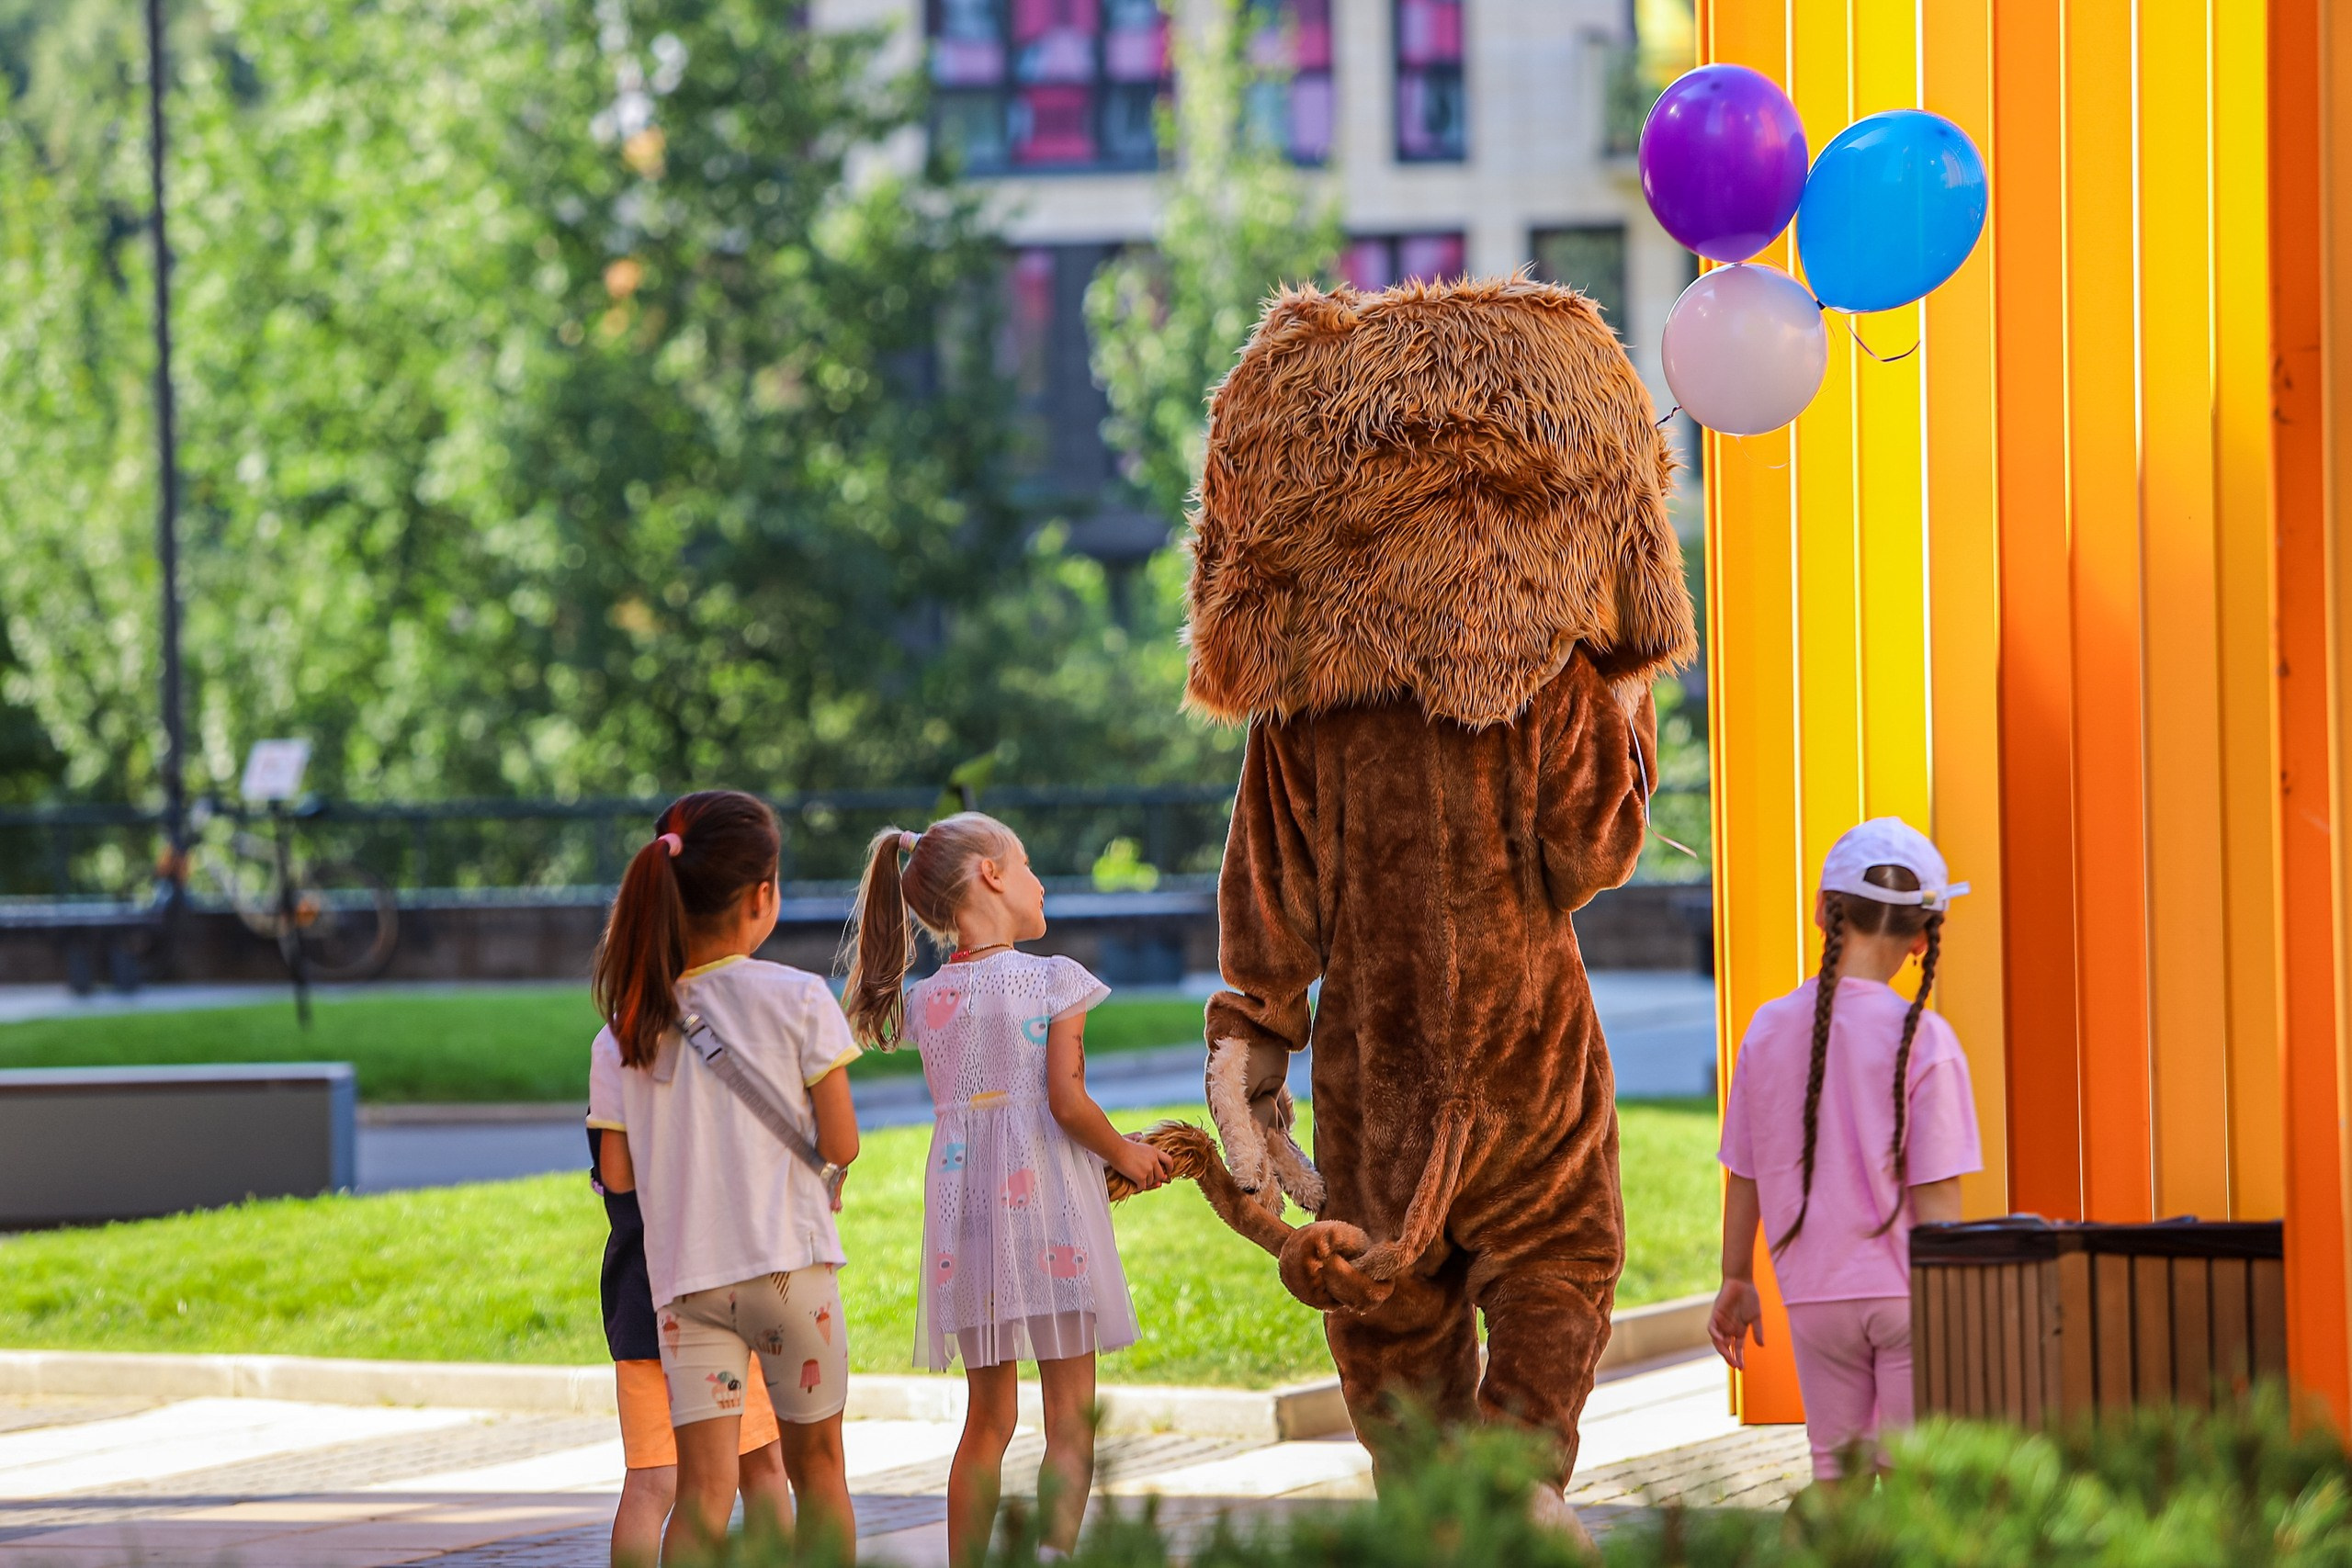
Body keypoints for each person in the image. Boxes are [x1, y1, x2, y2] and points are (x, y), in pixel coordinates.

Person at [841, 813, 1173, 1564]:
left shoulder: (928, 1001)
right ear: (991, 873)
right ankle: (1052, 1556)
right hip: (1050, 1215)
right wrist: (1126, 1151)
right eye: (1027, 863)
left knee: (985, 1419)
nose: (1041, 880)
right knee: (1070, 1419)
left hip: (969, 1221)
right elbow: (1067, 1101)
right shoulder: (1053, 981)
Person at [588, 790, 863, 1561]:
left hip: (686, 1287)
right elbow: (842, 1140)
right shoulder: (799, 998)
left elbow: (617, 1173)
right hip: (788, 1272)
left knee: (702, 1495)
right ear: (761, 895)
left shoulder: (626, 1025)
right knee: (818, 1471)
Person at [1710, 817, 1984, 1481]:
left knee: (1839, 1476)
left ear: (1822, 913)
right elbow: (1938, 1198)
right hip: (1910, 1298)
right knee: (1919, 1478)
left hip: (1814, 1297)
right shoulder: (1927, 1037)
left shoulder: (1767, 1029)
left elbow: (1742, 1171)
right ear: (1922, 937)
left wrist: (1737, 1277)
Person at [584, 1121, 791, 1566]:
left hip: (641, 1297)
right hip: (722, 1289)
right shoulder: (715, 1053)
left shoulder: (613, 1053)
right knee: (763, 1467)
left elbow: (614, 1179)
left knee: (652, 1482)